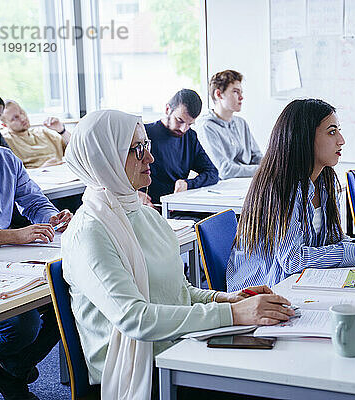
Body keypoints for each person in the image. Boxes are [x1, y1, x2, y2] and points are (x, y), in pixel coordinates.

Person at [61, 109, 293, 399]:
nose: (150, 158)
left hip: (177, 348)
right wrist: (233, 313)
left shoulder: (145, 215)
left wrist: (226, 298)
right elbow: (136, 319)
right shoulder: (90, 232)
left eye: (147, 145)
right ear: (103, 157)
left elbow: (178, 291)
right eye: (137, 149)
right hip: (139, 371)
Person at [227, 99, 355, 292]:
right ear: (304, 137)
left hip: (302, 280)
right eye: (332, 132)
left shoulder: (326, 180)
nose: (341, 140)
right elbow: (292, 260)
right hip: (267, 289)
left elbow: (331, 238)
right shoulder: (281, 186)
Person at [0, 95, 72, 400]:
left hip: (9, 261)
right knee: (25, 322)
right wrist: (10, 236)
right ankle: (1, 362)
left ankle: (9, 369)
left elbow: (33, 200)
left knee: (67, 296)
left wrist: (51, 215)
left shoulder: (7, 160)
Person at [141, 89, 218, 207]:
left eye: (189, 124)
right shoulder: (144, 134)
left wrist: (188, 184)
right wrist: (135, 194)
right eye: (179, 120)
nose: (183, 129)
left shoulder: (190, 137)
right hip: (149, 208)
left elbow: (212, 173)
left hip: (176, 207)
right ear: (167, 109)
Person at [196, 70, 263, 179]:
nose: (241, 97)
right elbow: (224, 171)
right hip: (224, 188)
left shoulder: (242, 123)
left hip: (247, 183)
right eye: (236, 92)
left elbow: (257, 157)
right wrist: (264, 170)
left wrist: (273, 165)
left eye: (241, 92)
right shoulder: (207, 127)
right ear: (218, 94)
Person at [0, 100, 71, 168]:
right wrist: (42, 169)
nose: (23, 118)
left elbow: (74, 148)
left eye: (21, 112)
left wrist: (61, 130)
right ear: (5, 125)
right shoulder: (6, 142)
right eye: (15, 118)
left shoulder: (43, 133)